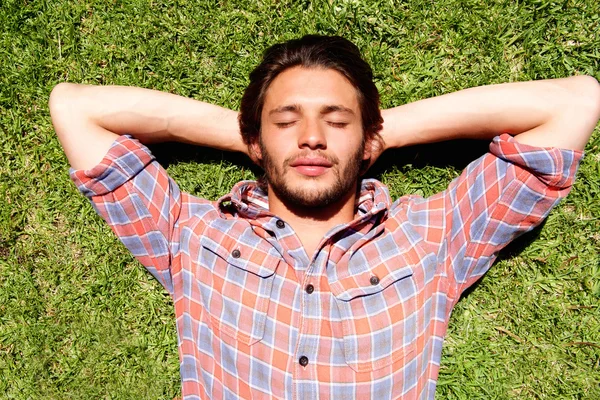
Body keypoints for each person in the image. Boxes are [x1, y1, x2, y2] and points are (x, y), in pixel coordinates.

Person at [49, 35, 600, 399]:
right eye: (287, 120)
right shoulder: (190, 234)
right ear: (255, 139)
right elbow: (75, 109)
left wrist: (381, 133)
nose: (312, 137)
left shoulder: (435, 236)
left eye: (337, 121)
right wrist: (254, 138)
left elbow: (575, 103)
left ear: (367, 137)